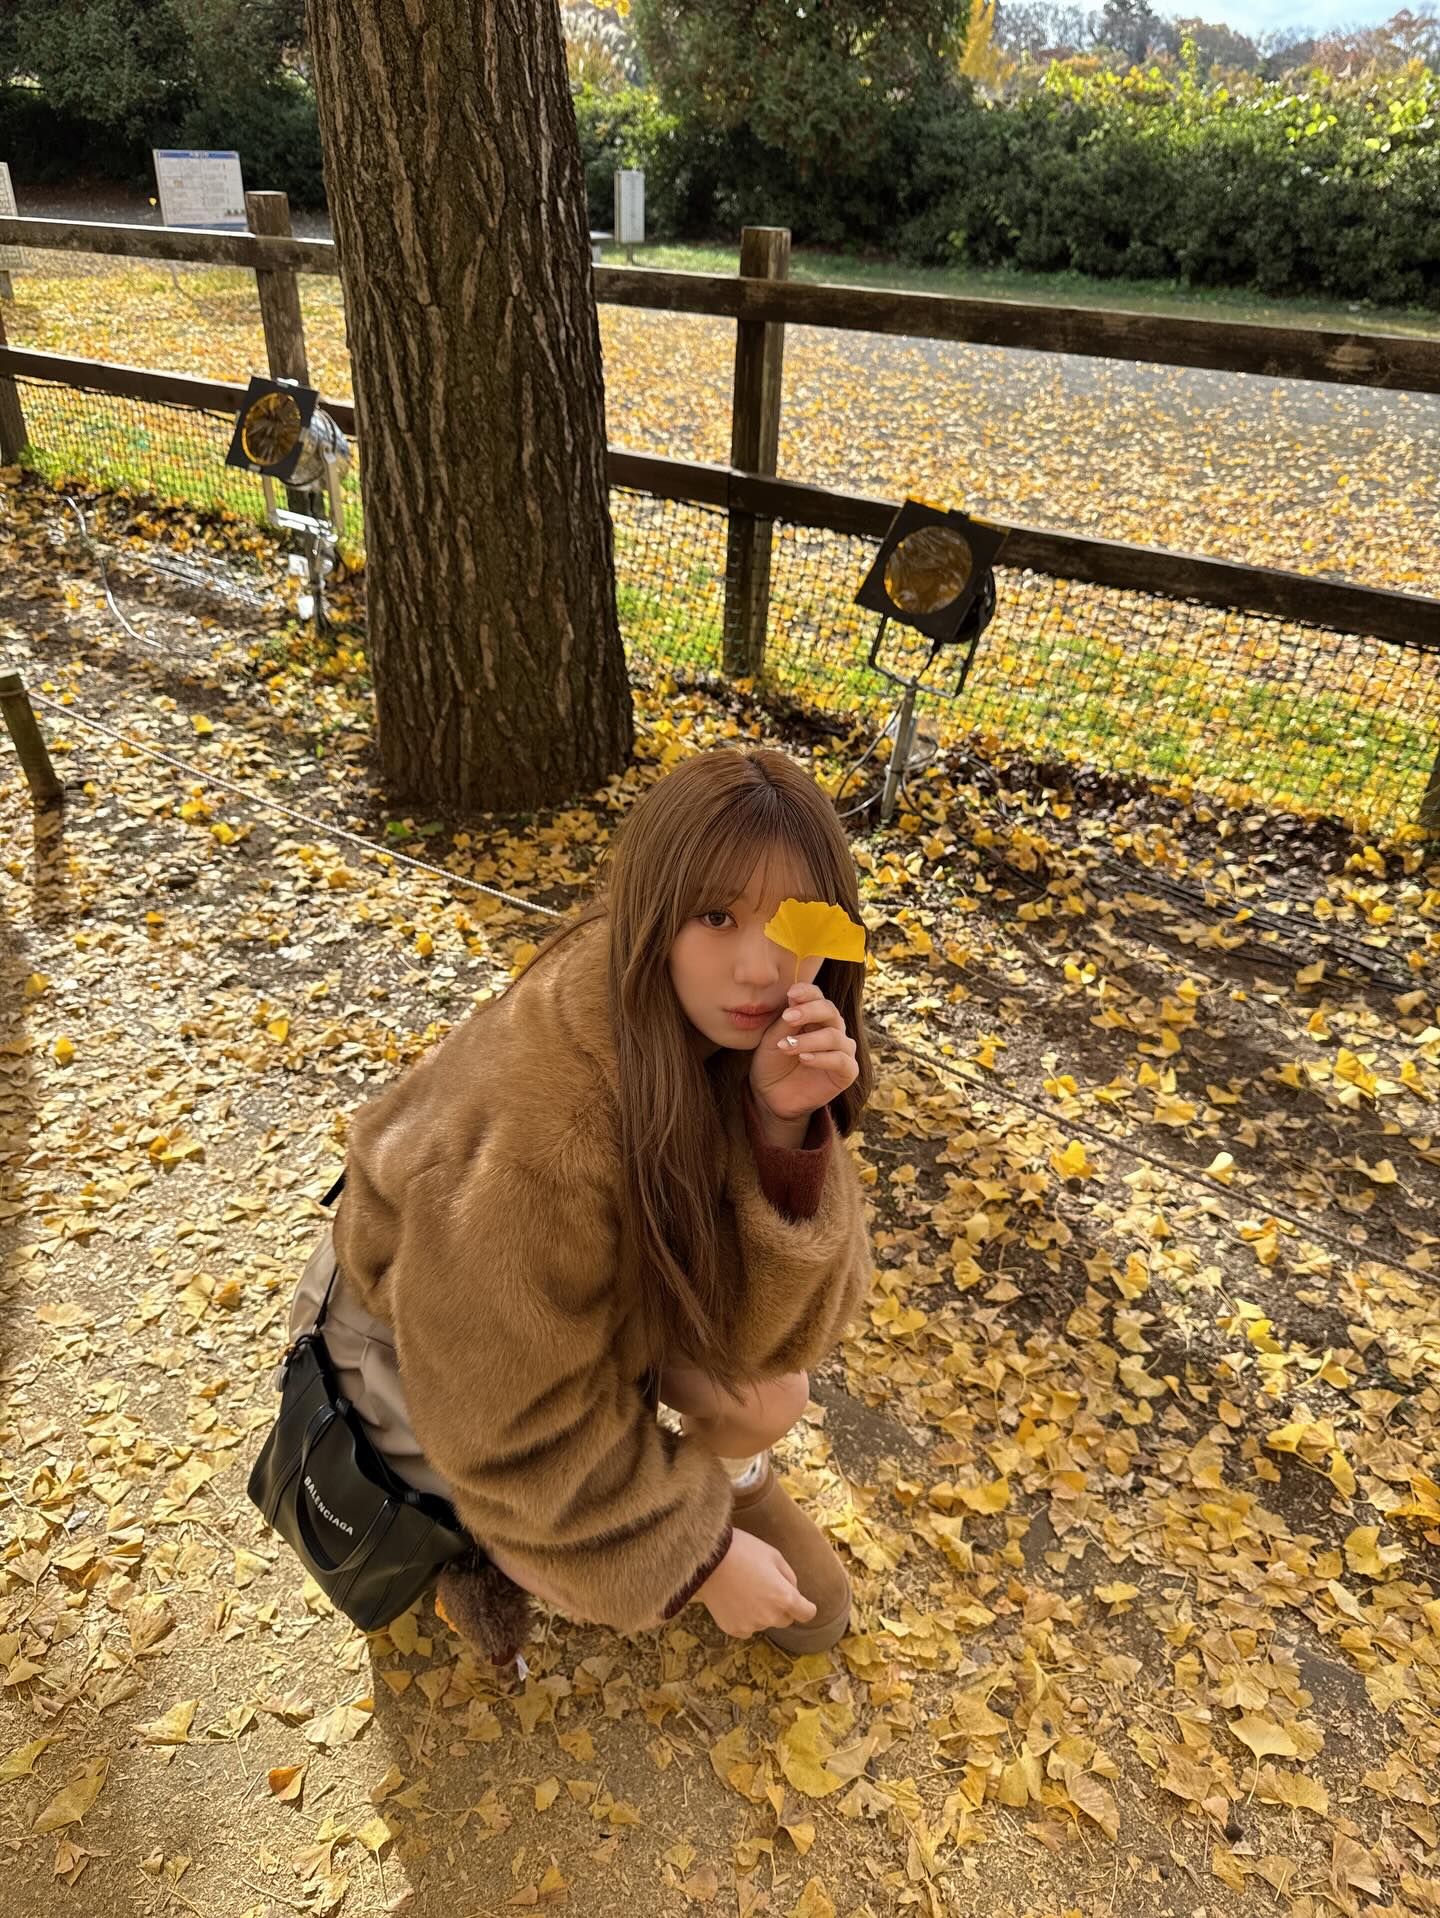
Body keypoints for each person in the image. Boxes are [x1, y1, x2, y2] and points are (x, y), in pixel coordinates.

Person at [286, 745, 875, 1662]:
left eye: (792, 920)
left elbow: (775, 1333)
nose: (761, 967)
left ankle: (731, 1479)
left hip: (584, 1314)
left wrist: (784, 1132)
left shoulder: (719, 1029)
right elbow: (501, 1421)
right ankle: (491, 1549)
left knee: (769, 1395)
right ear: (655, 911)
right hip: (418, 1357)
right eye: (716, 916)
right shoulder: (544, 1129)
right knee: (526, 1499)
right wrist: (702, 1559)